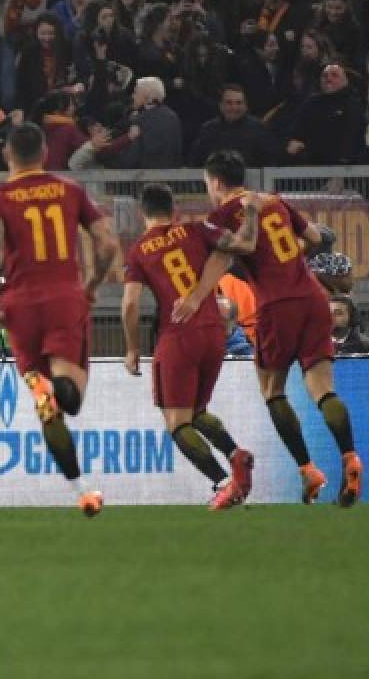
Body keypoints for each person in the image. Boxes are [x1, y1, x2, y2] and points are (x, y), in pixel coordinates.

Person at [174, 150, 363, 507]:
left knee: (274, 391)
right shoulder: (274, 201)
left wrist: (196, 298)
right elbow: (314, 238)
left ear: (215, 182)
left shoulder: (221, 215)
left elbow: (221, 258)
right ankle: (350, 458)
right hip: (312, 298)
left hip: (276, 306)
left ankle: (308, 470)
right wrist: (288, 260)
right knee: (323, 391)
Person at [0, 123, 119, 516]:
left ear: (8, 153)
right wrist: (91, 284)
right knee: (69, 399)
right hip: (63, 296)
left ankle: (80, 489)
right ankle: (56, 387)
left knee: (47, 405)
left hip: (19, 303)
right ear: (43, 152)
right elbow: (107, 242)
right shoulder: (70, 191)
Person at [121, 183, 258, 510]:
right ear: (174, 210)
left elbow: (129, 305)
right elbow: (230, 250)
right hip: (215, 331)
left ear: (143, 213)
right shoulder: (197, 230)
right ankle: (234, 454)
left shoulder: (140, 250)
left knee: (178, 422)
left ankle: (226, 484)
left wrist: (132, 348)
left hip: (178, 334)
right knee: (197, 412)